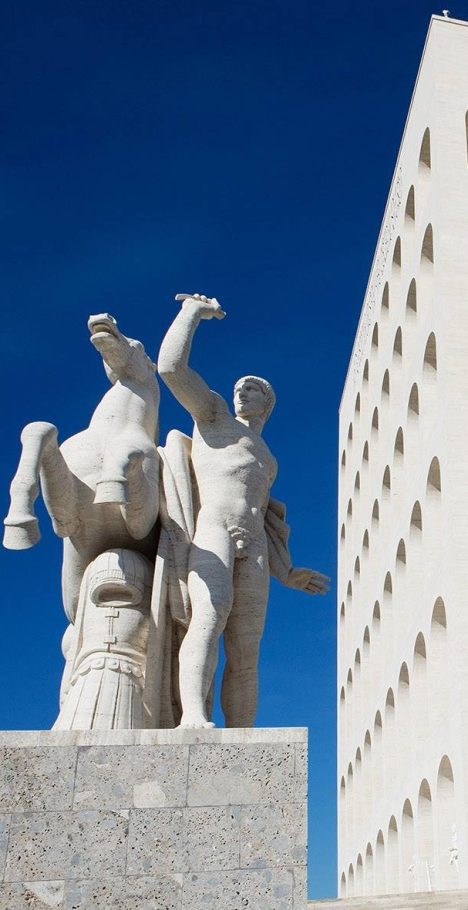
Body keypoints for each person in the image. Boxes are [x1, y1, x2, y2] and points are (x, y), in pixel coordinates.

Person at [158, 293, 329, 728]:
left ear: (266, 402)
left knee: (246, 647)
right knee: (209, 617)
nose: (241, 391)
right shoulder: (214, 417)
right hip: (212, 525)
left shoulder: (269, 459)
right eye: (239, 387)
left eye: (252, 388)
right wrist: (191, 314)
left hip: (252, 542)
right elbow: (171, 370)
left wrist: (287, 572)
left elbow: (266, 520)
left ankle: (242, 734)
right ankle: (194, 717)